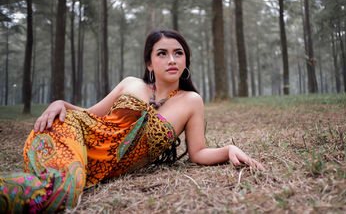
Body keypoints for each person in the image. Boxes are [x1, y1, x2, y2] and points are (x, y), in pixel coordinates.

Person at [0, 29, 264, 213]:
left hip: (89, 165)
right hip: (66, 132)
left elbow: (198, 152)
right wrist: (60, 103)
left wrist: (229, 150)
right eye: (162, 53)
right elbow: (89, 115)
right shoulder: (131, 84)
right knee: (63, 193)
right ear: (149, 63)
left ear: (186, 60)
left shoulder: (191, 101)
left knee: (67, 190)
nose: (171, 59)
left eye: (178, 53)